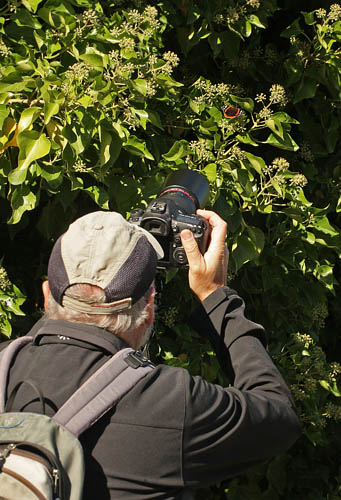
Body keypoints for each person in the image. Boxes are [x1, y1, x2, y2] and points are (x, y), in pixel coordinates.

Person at [1, 209, 301, 499]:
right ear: (149, 309)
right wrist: (214, 295)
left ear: (45, 295)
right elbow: (279, 415)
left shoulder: (5, 363)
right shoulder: (170, 402)